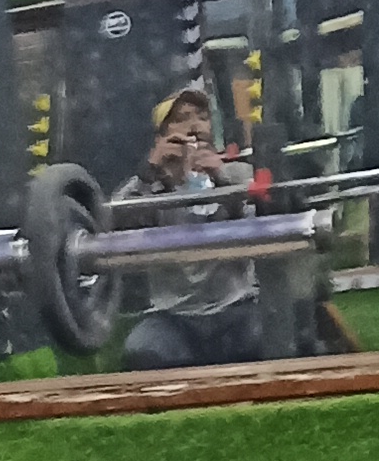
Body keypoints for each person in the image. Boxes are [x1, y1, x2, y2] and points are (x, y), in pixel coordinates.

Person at [110, 86, 269, 372]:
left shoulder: (237, 174)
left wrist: (220, 178)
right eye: (182, 119)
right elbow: (112, 224)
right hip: (174, 318)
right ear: (161, 136)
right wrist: (150, 172)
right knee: (142, 350)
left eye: (202, 117)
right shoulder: (148, 187)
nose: (194, 126)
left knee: (268, 340)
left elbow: (262, 222)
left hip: (236, 308)